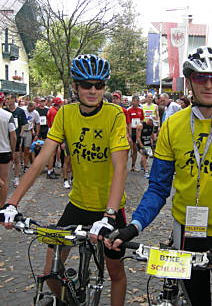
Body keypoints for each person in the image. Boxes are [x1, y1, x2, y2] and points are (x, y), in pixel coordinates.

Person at [108, 46, 212, 306]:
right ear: (189, 81)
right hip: (186, 232)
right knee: (196, 301)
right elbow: (158, 188)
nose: (209, 84)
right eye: (201, 77)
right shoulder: (173, 125)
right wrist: (134, 225)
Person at [0, 54, 129, 306]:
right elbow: (40, 161)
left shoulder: (115, 114)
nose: (93, 90)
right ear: (75, 86)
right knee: (50, 273)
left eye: (99, 85)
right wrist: (12, 203)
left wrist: (110, 214)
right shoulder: (65, 113)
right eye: (86, 84)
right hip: (77, 205)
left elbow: (120, 166)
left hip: (109, 209)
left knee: (115, 273)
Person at [5, 94, 28, 188]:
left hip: (16, 138)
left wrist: (21, 134)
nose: (7, 100)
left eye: (9, 98)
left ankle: (16, 177)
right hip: (5, 138)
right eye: (6, 99)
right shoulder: (4, 111)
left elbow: (24, 124)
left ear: (14, 99)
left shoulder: (20, 111)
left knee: (16, 157)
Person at [0, 93, 16, 207]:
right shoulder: (7, 115)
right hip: (5, 150)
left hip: (5, 150)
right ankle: (1, 206)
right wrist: (13, 151)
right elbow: (13, 136)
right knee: (4, 181)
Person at [127, 95, 144, 171]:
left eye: (136, 101)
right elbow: (129, 123)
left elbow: (142, 120)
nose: (134, 102)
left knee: (136, 149)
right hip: (132, 131)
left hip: (138, 131)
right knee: (132, 149)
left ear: (138, 101)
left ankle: (134, 166)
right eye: (133, 101)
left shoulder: (140, 110)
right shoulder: (129, 110)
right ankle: (131, 165)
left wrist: (140, 128)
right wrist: (130, 135)